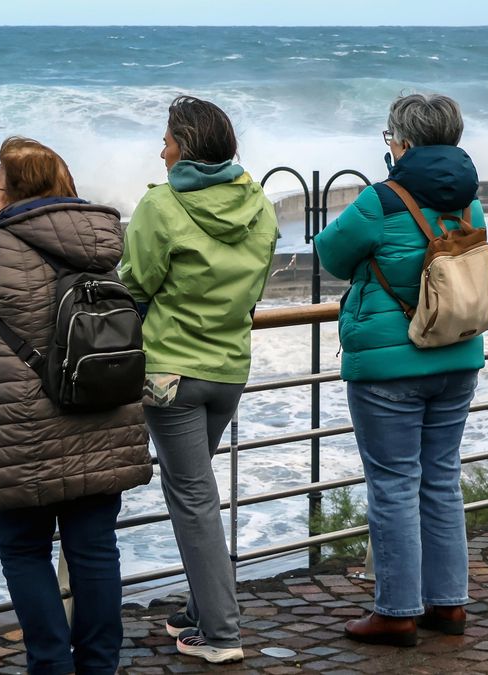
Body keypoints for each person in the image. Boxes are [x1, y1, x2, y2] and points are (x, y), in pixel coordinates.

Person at [0, 136, 153, 675]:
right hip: (101, 416)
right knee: (95, 551)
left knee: (22, 550)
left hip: (23, 426)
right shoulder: (104, 242)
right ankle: (99, 666)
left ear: (16, 192)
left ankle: (51, 665)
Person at [313, 94, 485, 646]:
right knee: (440, 479)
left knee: (392, 484)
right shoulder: (469, 200)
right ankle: (449, 605)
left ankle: (396, 612)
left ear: (402, 142)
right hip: (457, 355)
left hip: (390, 366)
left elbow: (330, 256)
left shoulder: (380, 200)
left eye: (390, 138)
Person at [119, 95, 278, 664]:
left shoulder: (160, 207)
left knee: (192, 498)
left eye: (165, 141)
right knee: (197, 490)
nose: (160, 152)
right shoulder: (258, 200)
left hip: (170, 375)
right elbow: (258, 279)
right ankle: (199, 610)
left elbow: (134, 286)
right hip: (230, 368)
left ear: (184, 147)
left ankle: (221, 634)